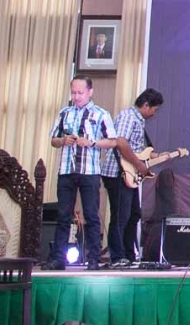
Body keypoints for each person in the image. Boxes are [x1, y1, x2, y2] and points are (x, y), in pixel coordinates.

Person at [44, 76, 117, 270]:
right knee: (63, 216)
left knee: (91, 215)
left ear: (90, 92)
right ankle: (58, 259)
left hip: (89, 171)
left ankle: (93, 259)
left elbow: (112, 141)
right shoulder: (64, 113)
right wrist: (63, 140)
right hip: (66, 170)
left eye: (80, 93)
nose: (76, 97)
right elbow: (53, 140)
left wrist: (91, 142)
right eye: (73, 92)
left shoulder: (101, 114)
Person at [100, 88, 168, 268]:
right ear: (145, 105)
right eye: (154, 109)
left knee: (133, 214)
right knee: (121, 216)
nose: (154, 114)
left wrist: (156, 156)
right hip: (118, 173)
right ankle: (117, 256)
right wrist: (139, 165)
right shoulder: (128, 117)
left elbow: (136, 149)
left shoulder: (138, 120)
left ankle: (129, 255)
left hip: (129, 174)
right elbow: (121, 143)